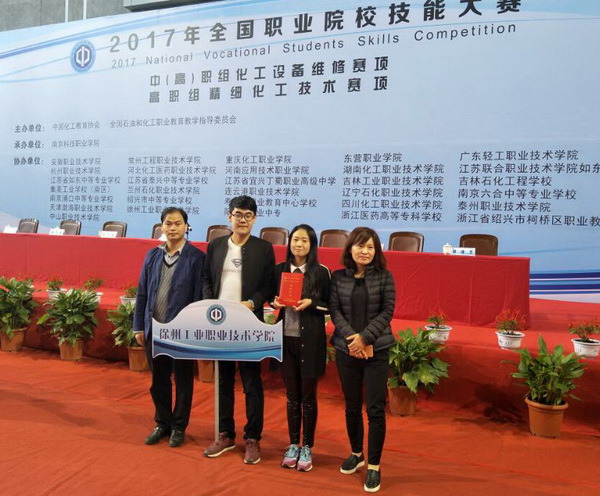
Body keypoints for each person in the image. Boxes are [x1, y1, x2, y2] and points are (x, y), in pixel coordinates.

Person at [202, 195, 275, 464]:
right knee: (223, 381)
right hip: (220, 323)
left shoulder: (264, 248)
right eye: (238, 214)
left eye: (248, 215)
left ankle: (253, 437)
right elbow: (206, 279)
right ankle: (225, 434)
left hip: (248, 323)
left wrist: (252, 303)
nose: (242, 220)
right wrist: (209, 304)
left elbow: (269, 286)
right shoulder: (216, 245)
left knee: (251, 382)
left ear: (254, 219)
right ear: (229, 217)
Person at [329, 227, 396, 493]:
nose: (365, 251)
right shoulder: (338, 277)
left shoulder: (385, 276)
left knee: (375, 410)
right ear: (350, 248)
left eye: (370, 247)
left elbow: (387, 311)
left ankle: (374, 466)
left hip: (376, 351)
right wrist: (352, 340)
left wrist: (365, 338)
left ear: (376, 251)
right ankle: (357, 453)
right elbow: (335, 310)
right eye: (360, 246)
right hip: (347, 350)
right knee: (352, 406)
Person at [133, 207, 205, 448]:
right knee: (159, 380)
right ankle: (162, 422)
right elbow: (142, 292)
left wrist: (194, 330)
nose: (172, 228)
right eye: (168, 223)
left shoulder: (196, 258)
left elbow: (198, 298)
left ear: (186, 226)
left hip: (181, 332)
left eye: (177, 223)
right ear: (161, 226)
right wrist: (138, 326)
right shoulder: (152, 255)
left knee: (183, 380)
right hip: (154, 329)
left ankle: (179, 426)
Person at [272, 224, 330, 472]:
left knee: (308, 397)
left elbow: (331, 305)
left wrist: (311, 303)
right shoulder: (279, 270)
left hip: (311, 341)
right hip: (286, 340)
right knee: (291, 396)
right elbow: (271, 299)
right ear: (290, 242)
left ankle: (307, 446)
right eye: (295, 239)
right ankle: (293, 444)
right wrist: (275, 302)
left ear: (312, 245)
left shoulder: (321, 272)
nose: (299, 244)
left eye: (305, 240)